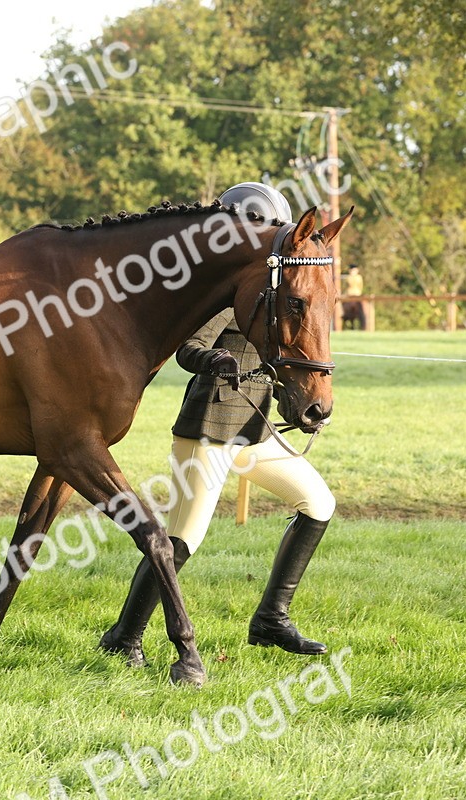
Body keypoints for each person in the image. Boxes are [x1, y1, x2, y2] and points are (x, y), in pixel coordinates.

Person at [100, 182, 335, 665]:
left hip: (252, 430)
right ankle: (124, 636)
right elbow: (187, 348)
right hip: (208, 429)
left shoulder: (272, 289)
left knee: (318, 503)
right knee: (183, 538)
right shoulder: (226, 293)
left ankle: (272, 619)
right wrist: (217, 359)